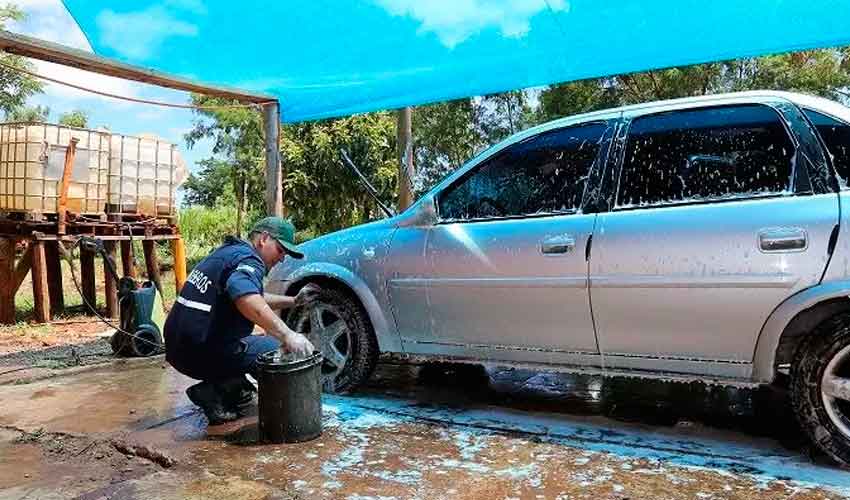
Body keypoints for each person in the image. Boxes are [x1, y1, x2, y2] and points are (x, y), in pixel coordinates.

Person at [164, 216, 320, 424]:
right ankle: (216, 390)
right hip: (198, 349)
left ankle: (229, 385)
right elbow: (246, 297)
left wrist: (293, 301)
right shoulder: (249, 260)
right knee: (275, 351)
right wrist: (288, 335)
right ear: (264, 239)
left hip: (178, 348)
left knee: (249, 354)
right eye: (280, 250)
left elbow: (249, 294)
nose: (281, 258)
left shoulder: (228, 253)